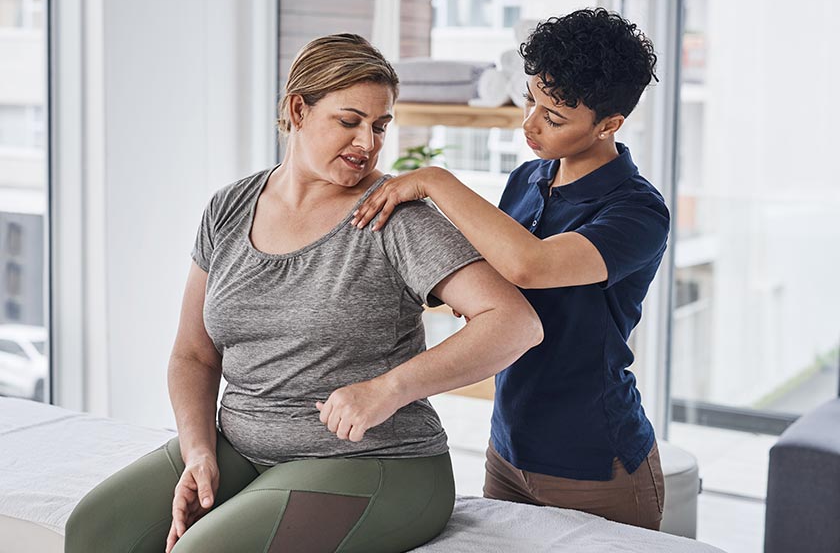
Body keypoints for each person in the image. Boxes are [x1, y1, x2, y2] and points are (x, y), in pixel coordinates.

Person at [64, 33, 542, 553]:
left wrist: (390, 388)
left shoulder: (394, 215)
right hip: (241, 446)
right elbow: (193, 353)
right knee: (94, 530)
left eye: (380, 126)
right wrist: (199, 451)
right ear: (298, 109)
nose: (369, 142)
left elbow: (515, 323)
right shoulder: (229, 208)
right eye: (349, 120)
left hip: (377, 463)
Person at [351, 9, 669, 530]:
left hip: (595, 462)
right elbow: (494, 279)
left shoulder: (637, 211)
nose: (530, 124)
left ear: (609, 124)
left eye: (554, 117)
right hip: (507, 448)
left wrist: (434, 179)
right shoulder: (527, 179)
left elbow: (528, 266)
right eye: (530, 101)